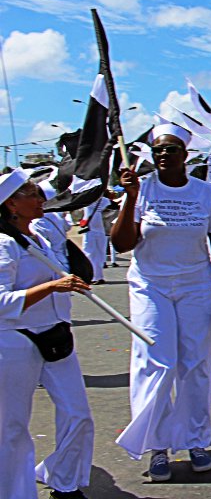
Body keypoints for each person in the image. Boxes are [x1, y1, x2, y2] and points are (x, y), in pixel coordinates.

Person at [111, 123, 211, 481]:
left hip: (196, 286)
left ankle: (196, 439)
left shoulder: (204, 193)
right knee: (157, 363)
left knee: (195, 364)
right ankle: (158, 446)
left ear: (185, 155)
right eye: (158, 150)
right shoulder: (141, 189)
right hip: (150, 286)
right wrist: (131, 198)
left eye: (171, 149)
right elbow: (121, 244)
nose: (163, 155)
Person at [0, 169, 94, 499]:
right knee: (12, 428)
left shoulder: (39, 237)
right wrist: (52, 285)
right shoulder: (2, 245)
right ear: (12, 203)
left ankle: (64, 481)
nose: (41, 200)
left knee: (78, 415)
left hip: (55, 337)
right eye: (33, 195)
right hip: (15, 341)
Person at [32, 180, 73, 269]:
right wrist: (67, 214)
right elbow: (68, 226)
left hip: (52, 265)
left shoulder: (38, 220)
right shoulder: (58, 214)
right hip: (64, 260)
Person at [80, 194, 110, 284]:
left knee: (89, 253)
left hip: (91, 229)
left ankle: (93, 276)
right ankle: (98, 276)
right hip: (101, 229)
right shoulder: (104, 200)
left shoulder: (86, 199)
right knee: (100, 254)